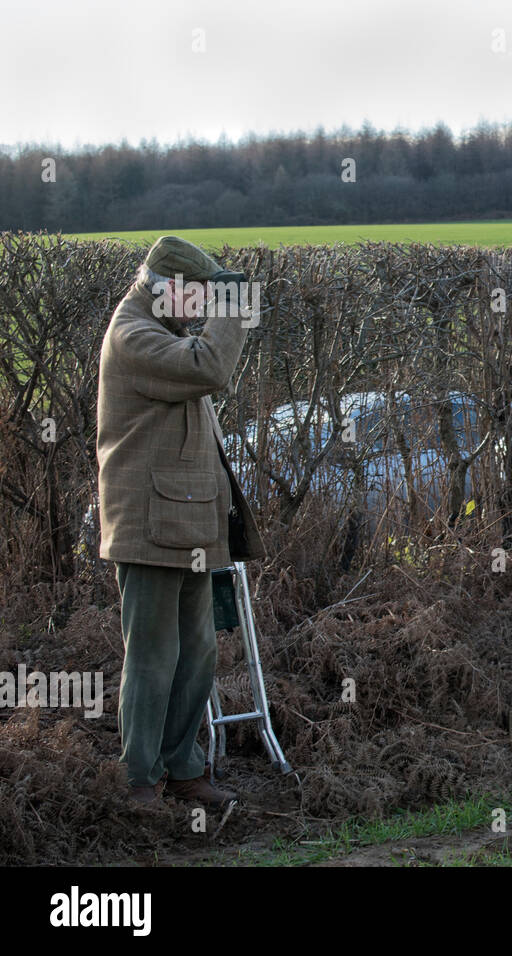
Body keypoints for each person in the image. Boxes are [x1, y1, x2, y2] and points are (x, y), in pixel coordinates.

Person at [97, 235, 265, 807]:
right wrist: (231, 308)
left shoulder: (164, 331)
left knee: (197, 653)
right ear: (165, 288)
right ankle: (139, 781)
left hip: (191, 524)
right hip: (148, 527)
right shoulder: (134, 335)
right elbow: (210, 367)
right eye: (197, 298)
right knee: (151, 656)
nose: (201, 311)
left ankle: (184, 767)